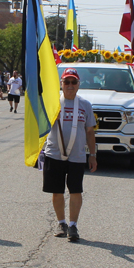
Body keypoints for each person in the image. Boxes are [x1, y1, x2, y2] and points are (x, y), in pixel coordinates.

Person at [42, 68, 97, 242]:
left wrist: (93, 154)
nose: (70, 86)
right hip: (54, 154)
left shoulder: (85, 105)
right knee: (56, 191)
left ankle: (73, 225)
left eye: (74, 82)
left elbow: (89, 132)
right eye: (67, 82)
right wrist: (51, 116)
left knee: (75, 191)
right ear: (61, 84)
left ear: (78, 85)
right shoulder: (53, 103)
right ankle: (61, 223)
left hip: (77, 156)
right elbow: (40, 127)